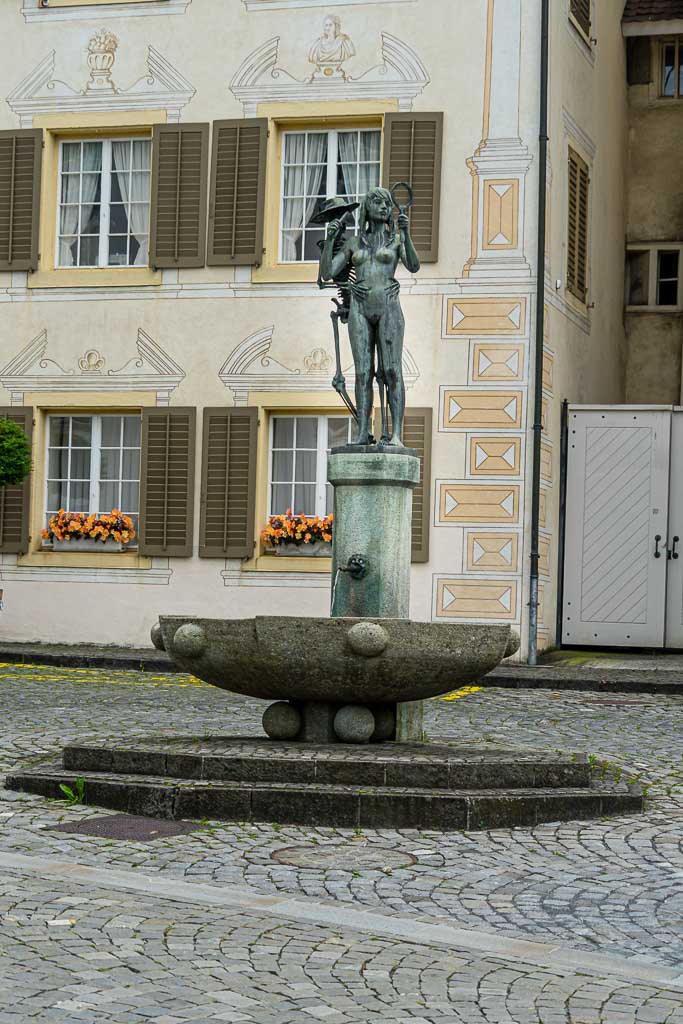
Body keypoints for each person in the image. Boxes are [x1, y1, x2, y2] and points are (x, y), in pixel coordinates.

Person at [320, 187, 420, 446]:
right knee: (363, 373)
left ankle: (396, 435)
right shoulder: (354, 243)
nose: (384, 207)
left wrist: (406, 234)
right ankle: (363, 431)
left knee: (392, 371)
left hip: (389, 307)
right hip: (360, 310)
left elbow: (413, 265)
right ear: (367, 207)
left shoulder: (395, 240)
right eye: (378, 202)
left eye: (387, 203)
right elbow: (328, 272)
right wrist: (329, 241)